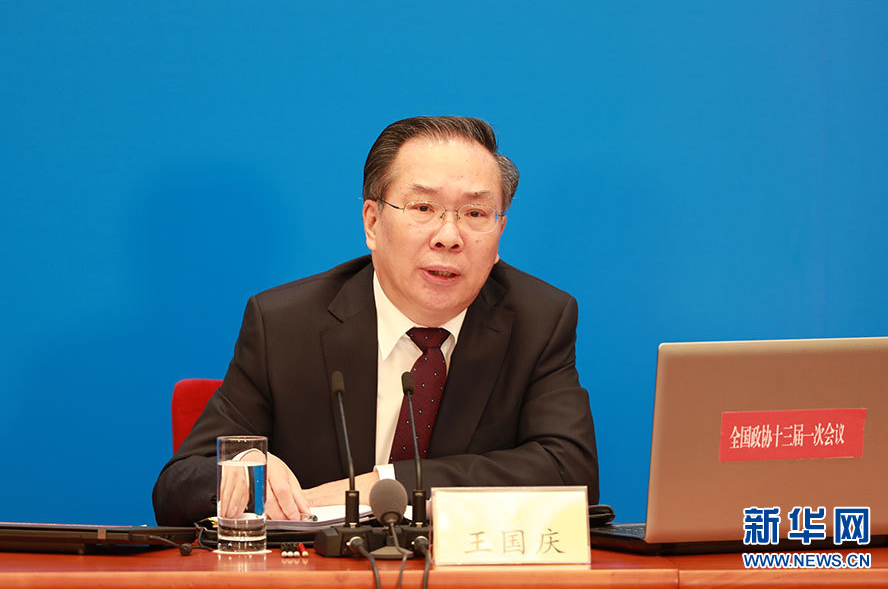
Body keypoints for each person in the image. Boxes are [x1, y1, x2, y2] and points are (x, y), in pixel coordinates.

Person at [153, 116, 599, 526]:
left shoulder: (538, 319)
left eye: (475, 214)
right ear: (372, 222)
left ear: (499, 231)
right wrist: (242, 472)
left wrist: (383, 484)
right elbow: (177, 486)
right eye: (423, 208)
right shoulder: (285, 325)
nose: (449, 236)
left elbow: (570, 472)